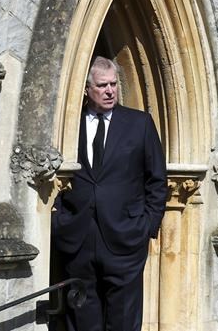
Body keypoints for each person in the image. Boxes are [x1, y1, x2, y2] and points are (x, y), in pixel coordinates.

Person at [51, 56, 167, 331]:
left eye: (113, 84)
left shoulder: (139, 124)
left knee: (124, 322)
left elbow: (157, 180)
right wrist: (59, 222)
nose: (110, 91)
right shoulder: (68, 125)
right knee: (82, 322)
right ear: (86, 89)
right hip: (78, 240)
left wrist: (146, 227)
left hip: (126, 240)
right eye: (102, 85)